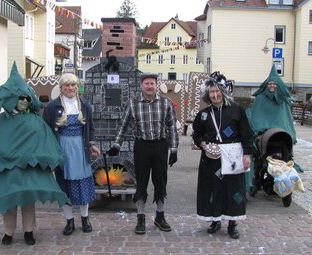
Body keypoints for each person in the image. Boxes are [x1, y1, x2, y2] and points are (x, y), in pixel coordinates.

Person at [0, 63, 69, 246]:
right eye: (21, 98)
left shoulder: (35, 120)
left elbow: (45, 140)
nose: (24, 101)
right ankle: (8, 232)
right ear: (12, 99)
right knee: (9, 200)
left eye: (27, 98)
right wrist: (3, 155)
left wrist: (40, 156)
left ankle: (28, 231)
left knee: (28, 201)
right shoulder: (2, 121)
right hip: (8, 168)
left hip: (29, 167)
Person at [108, 72, 179, 235]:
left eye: (152, 83)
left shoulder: (165, 103)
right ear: (141, 86)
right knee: (141, 182)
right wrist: (117, 144)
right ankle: (140, 217)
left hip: (160, 146)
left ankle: (160, 216)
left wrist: (173, 149)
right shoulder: (133, 103)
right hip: (142, 147)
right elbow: (123, 125)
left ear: (156, 85)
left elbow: (171, 128)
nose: (149, 86)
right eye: (146, 83)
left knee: (160, 182)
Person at [192, 71, 253, 239]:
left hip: (232, 158)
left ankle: (232, 223)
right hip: (211, 160)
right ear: (208, 94)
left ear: (223, 92)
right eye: (211, 92)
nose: (215, 94)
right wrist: (204, 144)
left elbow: (247, 134)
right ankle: (215, 220)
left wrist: (246, 155)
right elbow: (196, 135)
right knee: (213, 189)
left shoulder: (236, 110)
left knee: (233, 189)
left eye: (217, 91)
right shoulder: (204, 114)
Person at [43, 73, 101, 236]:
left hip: (80, 150)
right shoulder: (52, 107)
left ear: (77, 87)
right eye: (66, 85)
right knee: (64, 186)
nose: (70, 88)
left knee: (82, 185)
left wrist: (92, 144)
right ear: (61, 88)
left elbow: (90, 129)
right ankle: (69, 221)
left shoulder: (85, 105)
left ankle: (85, 218)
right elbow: (45, 132)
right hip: (62, 150)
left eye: (73, 85)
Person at [250, 65, 297, 143]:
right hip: (263, 131)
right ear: (267, 85)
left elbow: (285, 118)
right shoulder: (260, 98)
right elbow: (257, 116)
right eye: (270, 84)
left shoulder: (283, 99)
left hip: (281, 132)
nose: (272, 86)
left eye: (274, 84)